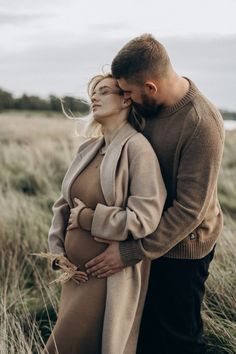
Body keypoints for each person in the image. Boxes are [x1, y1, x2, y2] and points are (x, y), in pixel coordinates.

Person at [82, 34, 225, 354]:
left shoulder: (200, 123)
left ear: (151, 87)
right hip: (142, 234)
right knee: (140, 334)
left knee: (177, 339)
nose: (126, 99)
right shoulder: (144, 105)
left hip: (182, 249)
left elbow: (190, 211)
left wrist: (129, 252)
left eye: (129, 92)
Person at [45, 73, 167, 354]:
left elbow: (145, 218)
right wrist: (57, 253)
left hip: (106, 279)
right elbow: (62, 204)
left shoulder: (138, 149)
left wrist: (90, 219)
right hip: (75, 278)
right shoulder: (88, 148)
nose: (94, 98)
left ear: (126, 98)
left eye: (103, 91)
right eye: (92, 94)